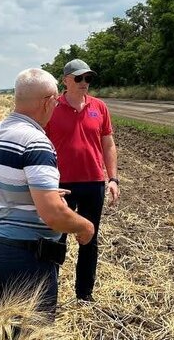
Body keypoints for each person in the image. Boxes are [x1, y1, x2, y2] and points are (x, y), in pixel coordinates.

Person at [0, 67, 95, 320]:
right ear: (48, 101)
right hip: (27, 257)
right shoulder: (35, 142)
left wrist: (41, 192)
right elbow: (52, 215)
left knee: (9, 337)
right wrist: (85, 227)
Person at [45, 59, 119, 302]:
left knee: (90, 239)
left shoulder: (99, 107)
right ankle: (49, 292)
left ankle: (84, 294)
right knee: (57, 240)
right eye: (79, 78)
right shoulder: (51, 107)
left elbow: (108, 144)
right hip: (61, 185)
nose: (84, 83)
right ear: (65, 80)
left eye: (88, 78)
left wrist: (113, 178)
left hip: (93, 183)